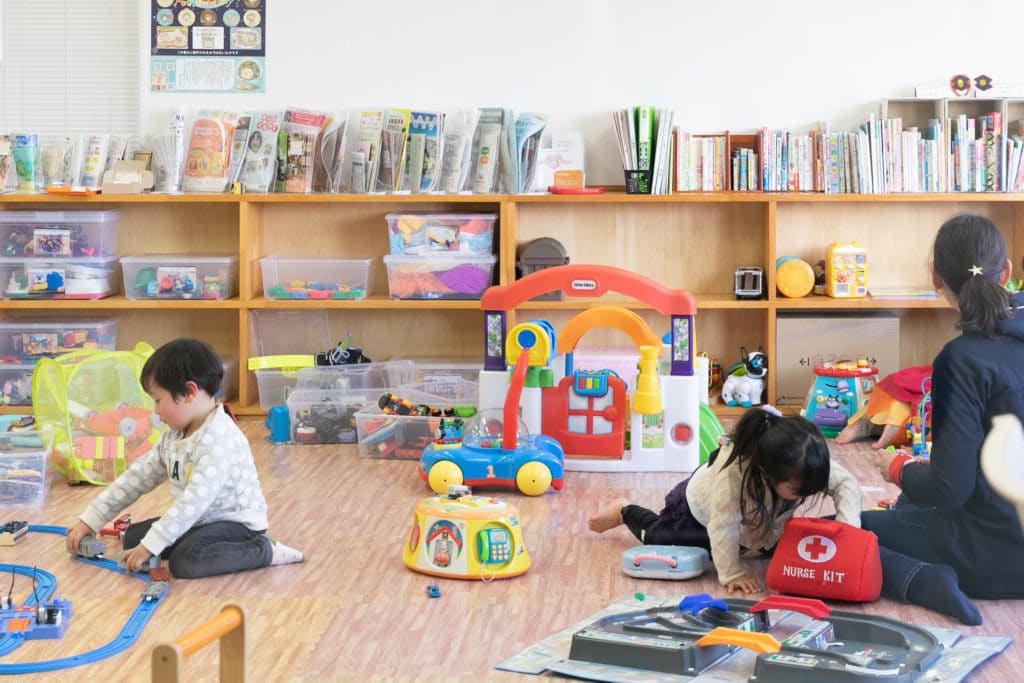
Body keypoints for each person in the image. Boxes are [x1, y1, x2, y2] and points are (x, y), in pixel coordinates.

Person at [863, 213, 1024, 625]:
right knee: (911, 501)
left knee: (843, 528)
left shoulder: (962, 359)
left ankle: (921, 579)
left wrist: (898, 468)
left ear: (936, 276)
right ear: (1007, 271)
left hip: (995, 556)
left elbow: (950, 490)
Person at [66, 338, 304, 578]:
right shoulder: (174, 435)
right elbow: (137, 477)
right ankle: (172, 540)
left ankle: (264, 551)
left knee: (185, 562)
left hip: (236, 524)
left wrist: (152, 545)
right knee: (133, 537)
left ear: (190, 392)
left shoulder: (219, 438)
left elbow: (193, 502)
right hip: (201, 520)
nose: (155, 411)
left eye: (158, 400)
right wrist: (92, 518)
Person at [589, 405, 862, 595]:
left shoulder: (804, 462)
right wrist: (732, 574)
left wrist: (848, 530)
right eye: (799, 492)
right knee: (659, 539)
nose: (806, 496)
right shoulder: (733, 478)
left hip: (756, 519)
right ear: (767, 472)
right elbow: (723, 528)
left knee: (774, 547)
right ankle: (624, 510)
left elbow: (846, 483)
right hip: (697, 511)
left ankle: (752, 543)